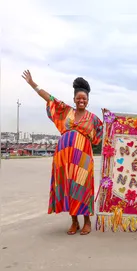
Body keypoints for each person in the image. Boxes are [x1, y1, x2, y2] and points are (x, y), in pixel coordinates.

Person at [22, 70, 103, 235]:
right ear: (74, 99)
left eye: (84, 99)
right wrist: (33, 84)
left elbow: (103, 134)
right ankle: (74, 222)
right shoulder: (66, 111)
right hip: (64, 156)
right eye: (78, 98)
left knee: (83, 186)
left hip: (83, 157)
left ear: (88, 101)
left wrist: (110, 117)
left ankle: (87, 221)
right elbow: (49, 98)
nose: (81, 100)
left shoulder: (93, 118)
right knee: (68, 186)